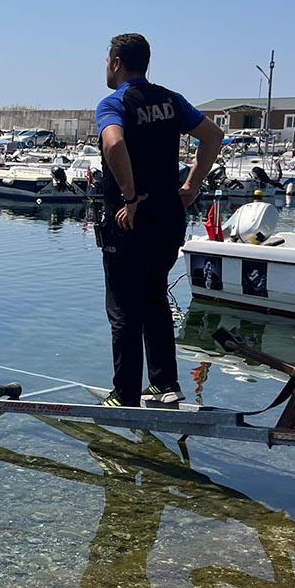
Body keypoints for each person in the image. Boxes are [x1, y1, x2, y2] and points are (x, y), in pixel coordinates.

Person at [96, 33, 223, 407]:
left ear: (117, 62)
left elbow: (114, 143)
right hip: (169, 216)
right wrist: (192, 186)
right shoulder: (171, 100)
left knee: (123, 306)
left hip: (129, 220)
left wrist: (131, 196)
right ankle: (166, 385)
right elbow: (213, 136)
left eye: (107, 60)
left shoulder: (115, 102)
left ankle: (125, 395)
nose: (105, 66)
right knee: (155, 297)